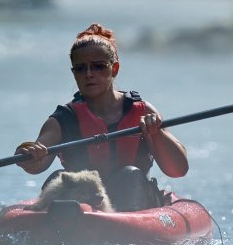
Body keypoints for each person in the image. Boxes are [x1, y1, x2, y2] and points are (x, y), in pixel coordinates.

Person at [15, 23, 189, 211]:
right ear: (74, 73)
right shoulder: (63, 119)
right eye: (80, 69)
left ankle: (121, 222)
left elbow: (178, 170)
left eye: (98, 66)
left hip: (135, 201)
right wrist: (28, 154)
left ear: (114, 69)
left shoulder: (143, 111)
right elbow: (36, 164)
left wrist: (156, 133)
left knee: (129, 175)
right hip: (82, 204)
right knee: (57, 177)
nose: (89, 74)